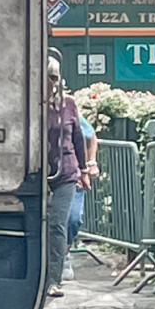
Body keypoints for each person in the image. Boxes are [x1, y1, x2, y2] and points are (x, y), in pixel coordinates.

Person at [46, 55, 87, 297]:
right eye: (47, 77)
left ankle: (54, 279)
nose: (51, 82)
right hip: (39, 172)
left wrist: (83, 169)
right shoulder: (31, 104)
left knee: (58, 224)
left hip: (66, 171)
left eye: (54, 77)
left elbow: (79, 138)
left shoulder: (69, 104)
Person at [63, 115, 98, 279]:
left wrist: (91, 164)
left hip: (74, 174)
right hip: (48, 174)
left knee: (73, 218)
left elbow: (91, 136)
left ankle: (64, 254)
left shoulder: (69, 107)